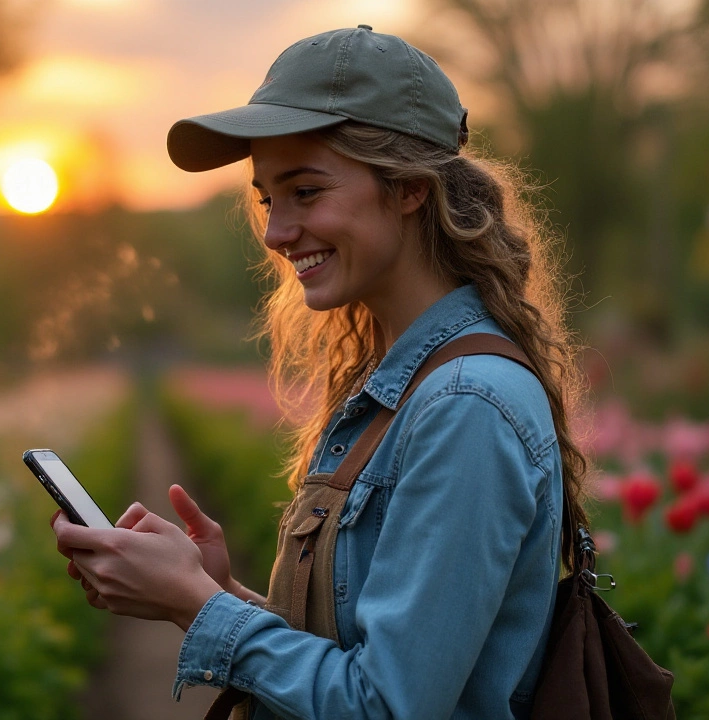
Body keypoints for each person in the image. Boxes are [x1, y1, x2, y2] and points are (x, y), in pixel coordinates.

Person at [52, 25, 589, 720]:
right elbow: (364, 657)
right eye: (270, 198)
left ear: (408, 190)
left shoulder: (465, 405)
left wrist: (198, 603)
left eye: (305, 191)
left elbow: (385, 706)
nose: (276, 233)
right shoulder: (411, 379)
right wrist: (214, 595)